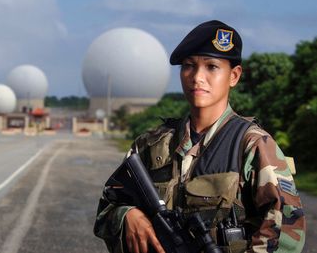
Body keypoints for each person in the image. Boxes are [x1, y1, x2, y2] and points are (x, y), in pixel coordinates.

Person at [94, 20, 306, 253]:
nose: (197, 77)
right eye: (189, 65)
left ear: (234, 76)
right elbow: (107, 207)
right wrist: (128, 216)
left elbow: (288, 236)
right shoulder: (150, 144)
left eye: (211, 67)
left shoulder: (253, 145)